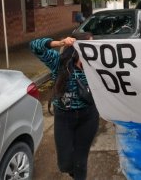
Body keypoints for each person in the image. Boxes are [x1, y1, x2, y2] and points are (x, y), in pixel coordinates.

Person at [30, 33, 99, 179]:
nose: (90, 48)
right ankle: (72, 169)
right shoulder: (59, 62)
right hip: (64, 117)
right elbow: (34, 46)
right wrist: (60, 43)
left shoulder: (96, 63)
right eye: (87, 44)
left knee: (81, 159)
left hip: (88, 116)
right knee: (65, 163)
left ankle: (79, 173)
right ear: (75, 46)